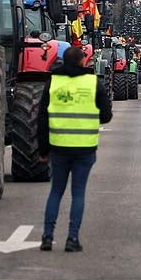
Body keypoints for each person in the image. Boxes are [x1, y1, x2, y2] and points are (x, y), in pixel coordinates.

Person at [37, 45, 113, 252]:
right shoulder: (92, 82)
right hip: (84, 148)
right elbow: (106, 115)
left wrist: (43, 150)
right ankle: (72, 239)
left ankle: (47, 237)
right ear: (82, 61)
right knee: (78, 193)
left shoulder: (53, 82)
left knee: (56, 191)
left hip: (59, 146)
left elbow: (42, 118)